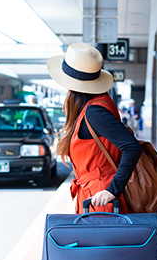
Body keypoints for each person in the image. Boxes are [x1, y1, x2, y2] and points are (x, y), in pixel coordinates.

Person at [46, 43, 142, 214]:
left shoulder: (94, 112)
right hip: (96, 193)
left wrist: (113, 189)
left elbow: (132, 147)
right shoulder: (99, 104)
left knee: (102, 240)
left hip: (100, 196)